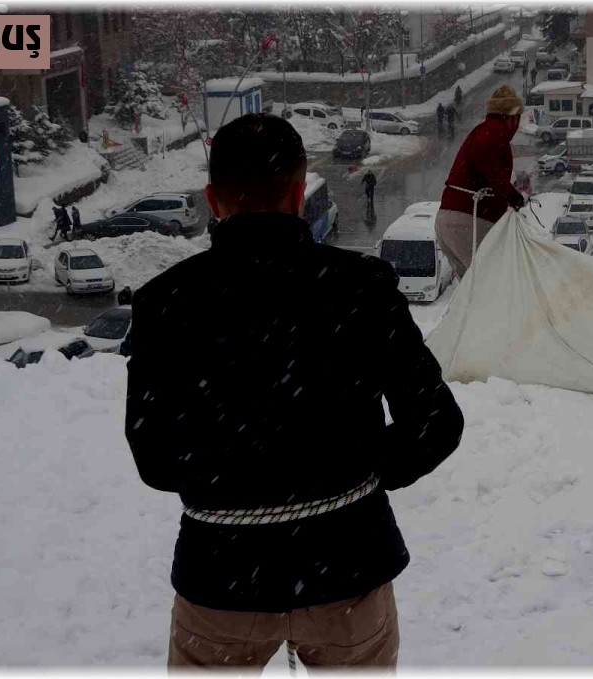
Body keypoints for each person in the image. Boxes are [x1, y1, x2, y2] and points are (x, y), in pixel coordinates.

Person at [125, 113, 464, 671]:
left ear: (212, 199)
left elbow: (154, 456)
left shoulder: (166, 302)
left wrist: (233, 478)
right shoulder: (362, 286)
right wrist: (355, 474)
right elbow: (435, 423)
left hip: (220, 579)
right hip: (348, 570)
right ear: (300, 192)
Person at [436, 85, 525, 280]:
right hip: (470, 220)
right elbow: (483, 153)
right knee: (488, 285)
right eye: (518, 118)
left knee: (470, 288)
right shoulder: (495, 130)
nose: (518, 125)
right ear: (511, 117)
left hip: (448, 218)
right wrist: (510, 193)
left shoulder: (483, 129)